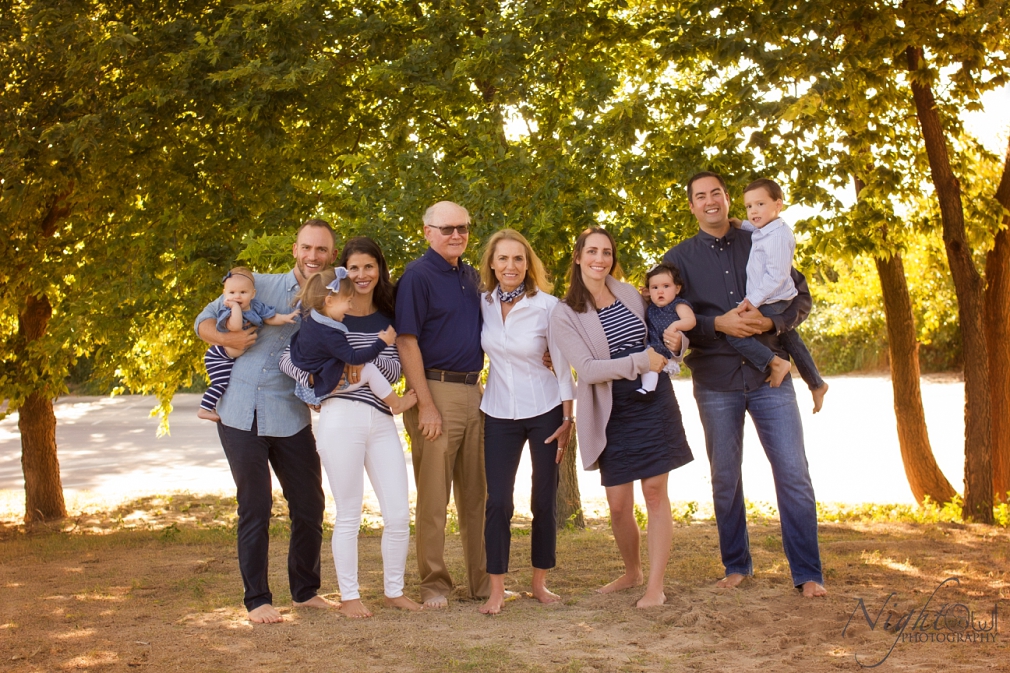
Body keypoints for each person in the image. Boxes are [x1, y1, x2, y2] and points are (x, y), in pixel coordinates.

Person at [663, 171, 826, 598]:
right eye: (700, 196)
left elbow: (800, 295)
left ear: (728, 198)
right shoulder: (677, 259)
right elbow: (666, 318)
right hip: (716, 381)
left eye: (716, 192)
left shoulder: (762, 237)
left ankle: (808, 573)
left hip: (770, 378)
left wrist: (773, 320)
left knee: (793, 473)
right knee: (724, 477)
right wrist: (716, 323)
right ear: (692, 205)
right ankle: (736, 564)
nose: (710, 200)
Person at [193, 219, 339, 624]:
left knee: (309, 504)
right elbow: (203, 320)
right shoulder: (255, 283)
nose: (313, 256)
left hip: (290, 414)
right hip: (240, 410)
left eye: (322, 250)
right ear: (295, 249)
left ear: (332, 255)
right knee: (255, 504)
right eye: (307, 248)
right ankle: (257, 600)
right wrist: (227, 339)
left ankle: (306, 591)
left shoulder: (331, 297)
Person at [280, 237, 423, 618]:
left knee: (396, 512)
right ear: (342, 275)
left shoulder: (389, 317)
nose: (361, 275)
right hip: (340, 417)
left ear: (379, 271)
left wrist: (359, 367)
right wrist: (312, 382)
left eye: (369, 267)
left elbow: (393, 367)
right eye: (354, 268)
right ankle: (350, 597)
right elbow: (288, 357)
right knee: (348, 513)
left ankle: (394, 590)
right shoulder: (323, 320)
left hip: (380, 418)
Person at [551, 227, 693, 608]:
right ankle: (633, 572)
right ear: (578, 256)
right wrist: (638, 362)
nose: (600, 259)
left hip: (653, 401)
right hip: (609, 408)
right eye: (592, 251)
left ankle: (655, 586)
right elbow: (587, 368)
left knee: (655, 493)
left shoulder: (630, 293)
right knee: (617, 503)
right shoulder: (565, 312)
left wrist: (679, 344)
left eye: (607, 252)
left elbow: (660, 334)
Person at [395, 201, 489, 609]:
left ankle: (484, 583)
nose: (457, 235)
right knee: (435, 498)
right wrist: (427, 405)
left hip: (476, 392)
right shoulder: (417, 276)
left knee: (477, 495)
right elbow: (406, 341)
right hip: (435, 390)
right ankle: (435, 584)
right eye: (448, 228)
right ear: (427, 231)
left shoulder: (472, 276)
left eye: (463, 228)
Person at [476, 229, 575, 615]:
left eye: (518, 259)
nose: (510, 266)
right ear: (492, 264)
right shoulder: (481, 303)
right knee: (498, 500)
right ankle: (497, 590)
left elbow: (563, 364)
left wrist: (568, 416)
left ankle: (539, 583)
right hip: (498, 412)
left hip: (546, 409)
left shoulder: (548, 306)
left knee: (543, 499)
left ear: (528, 264)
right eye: (502, 258)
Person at [727, 178, 829, 413]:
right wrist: (742, 224)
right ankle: (816, 383)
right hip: (772, 298)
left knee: (734, 331)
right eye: (749, 206)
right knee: (792, 340)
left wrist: (750, 301)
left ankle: (775, 363)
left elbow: (776, 277)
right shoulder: (768, 228)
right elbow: (759, 230)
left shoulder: (780, 237)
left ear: (778, 204)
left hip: (774, 299)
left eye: (760, 204)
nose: (754, 211)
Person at [288, 267, 416, 415]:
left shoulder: (310, 315)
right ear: (329, 301)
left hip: (310, 382)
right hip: (329, 383)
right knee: (370, 370)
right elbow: (355, 359)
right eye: (348, 301)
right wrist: (382, 342)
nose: (350, 307)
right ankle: (397, 403)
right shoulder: (330, 335)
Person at [198, 267, 298, 422]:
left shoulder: (257, 306)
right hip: (220, 355)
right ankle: (204, 409)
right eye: (232, 293)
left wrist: (286, 318)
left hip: (230, 356)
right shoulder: (227, 310)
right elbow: (236, 326)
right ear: (225, 294)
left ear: (253, 294)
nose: (237, 296)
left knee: (225, 382)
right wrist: (236, 307)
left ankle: (208, 406)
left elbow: (270, 318)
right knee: (221, 383)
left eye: (243, 293)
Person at [638, 262, 696, 395]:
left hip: (665, 347)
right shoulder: (652, 305)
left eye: (666, 286)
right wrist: (646, 297)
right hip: (653, 345)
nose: (660, 291)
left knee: (651, 367)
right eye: (655, 287)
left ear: (677, 288)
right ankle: (648, 389)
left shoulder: (678, 305)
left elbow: (690, 320)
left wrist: (676, 325)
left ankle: (648, 389)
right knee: (648, 365)